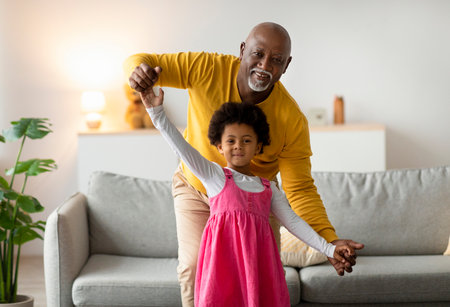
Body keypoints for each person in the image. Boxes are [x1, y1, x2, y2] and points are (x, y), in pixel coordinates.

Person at [124, 22, 364, 306]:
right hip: (196, 188)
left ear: (286, 66)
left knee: (262, 277)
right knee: (193, 267)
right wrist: (138, 72)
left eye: (276, 60)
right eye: (258, 54)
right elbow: (145, 62)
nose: (264, 65)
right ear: (242, 50)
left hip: (255, 201)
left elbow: (299, 189)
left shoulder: (291, 119)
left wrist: (328, 242)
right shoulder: (206, 68)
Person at [141, 86, 354, 306]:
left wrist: (329, 248)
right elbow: (181, 147)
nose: (238, 146)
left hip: (256, 267)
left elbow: (293, 222)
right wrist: (156, 112)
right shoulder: (215, 176)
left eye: (246, 140)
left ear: (258, 146)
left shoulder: (267, 188)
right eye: (231, 141)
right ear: (219, 146)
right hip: (221, 267)